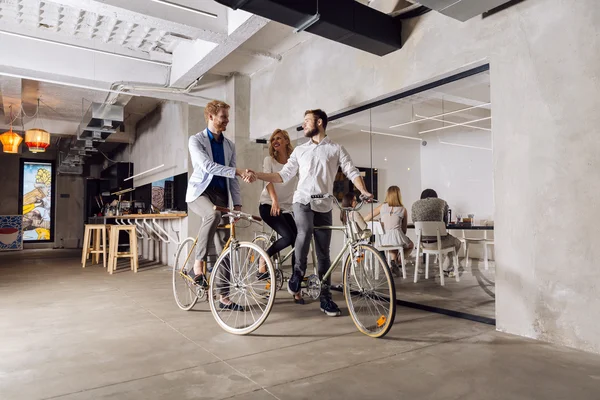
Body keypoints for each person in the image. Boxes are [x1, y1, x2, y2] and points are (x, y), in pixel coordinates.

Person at [247, 109, 373, 317]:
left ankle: (325, 298)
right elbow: (282, 175)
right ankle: (298, 274)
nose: (303, 125)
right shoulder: (300, 151)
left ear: (320, 123)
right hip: (302, 200)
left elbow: (351, 171)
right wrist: (257, 174)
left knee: (324, 254)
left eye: (307, 121)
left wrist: (363, 191)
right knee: (303, 233)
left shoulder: (335, 149)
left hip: (324, 205)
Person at [185, 99, 254, 311]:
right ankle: (196, 266)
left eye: (227, 116)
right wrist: (239, 171)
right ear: (211, 117)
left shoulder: (229, 145)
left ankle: (224, 296)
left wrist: (238, 205)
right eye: (223, 116)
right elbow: (206, 166)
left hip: (222, 196)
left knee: (225, 244)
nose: (227, 120)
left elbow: (232, 180)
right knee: (211, 216)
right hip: (200, 193)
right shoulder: (195, 140)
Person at [257, 129, 299, 300]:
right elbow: (268, 180)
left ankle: (296, 286)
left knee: (299, 241)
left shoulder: (294, 161)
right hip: (268, 205)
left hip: (287, 208)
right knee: (289, 236)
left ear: (286, 141)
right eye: (273, 139)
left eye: (279, 138)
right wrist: (274, 201)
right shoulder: (270, 160)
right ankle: (264, 257)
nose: (275, 141)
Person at [364, 186, 414, 277]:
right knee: (410, 245)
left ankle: (393, 263)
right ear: (399, 196)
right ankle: (396, 262)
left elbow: (367, 217)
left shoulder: (382, 207)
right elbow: (404, 230)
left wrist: (376, 222)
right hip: (396, 238)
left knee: (391, 241)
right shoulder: (403, 210)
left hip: (382, 239)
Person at [411, 188, 462, 275]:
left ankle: (442, 264)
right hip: (439, 242)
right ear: (435, 197)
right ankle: (447, 268)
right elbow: (445, 222)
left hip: (422, 243)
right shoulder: (442, 203)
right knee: (457, 242)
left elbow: (415, 222)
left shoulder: (415, 205)